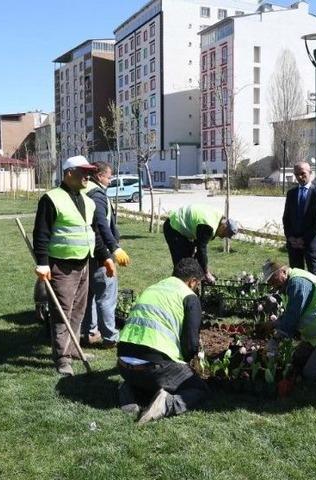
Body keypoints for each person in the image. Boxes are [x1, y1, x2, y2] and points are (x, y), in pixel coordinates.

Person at [33, 155, 117, 376]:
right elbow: (41, 234)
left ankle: (73, 349)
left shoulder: (87, 200)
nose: (87, 176)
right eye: (83, 172)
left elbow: (94, 233)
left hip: (84, 264)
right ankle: (62, 358)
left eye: (89, 172)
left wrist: (106, 256)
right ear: (69, 174)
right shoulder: (51, 199)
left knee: (79, 310)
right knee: (62, 312)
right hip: (61, 266)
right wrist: (43, 264)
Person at [116, 258, 210, 424]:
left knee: (145, 376)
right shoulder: (189, 297)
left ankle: (129, 389)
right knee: (198, 388)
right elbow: (191, 345)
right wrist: (191, 364)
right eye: (197, 285)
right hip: (154, 369)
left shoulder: (152, 288)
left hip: (123, 364)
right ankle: (167, 404)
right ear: (192, 281)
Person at [80, 161, 131, 348]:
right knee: (106, 296)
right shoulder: (98, 196)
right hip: (101, 253)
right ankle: (110, 337)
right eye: (109, 177)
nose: (110, 181)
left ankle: (90, 331)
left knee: (89, 295)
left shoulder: (84, 192)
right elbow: (100, 226)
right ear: (99, 175)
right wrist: (112, 250)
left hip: (85, 253)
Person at [163, 204, 239, 283]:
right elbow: (201, 249)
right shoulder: (208, 225)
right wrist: (206, 272)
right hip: (174, 226)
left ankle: (188, 286)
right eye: (224, 234)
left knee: (189, 262)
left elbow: (198, 247)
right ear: (224, 226)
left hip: (182, 228)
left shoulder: (217, 218)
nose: (223, 237)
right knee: (182, 265)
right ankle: (176, 287)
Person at [282, 161, 316, 279]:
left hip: (310, 242)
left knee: (315, 275)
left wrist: (304, 239)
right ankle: (300, 296)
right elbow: (286, 218)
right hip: (293, 243)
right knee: (296, 275)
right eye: (296, 174)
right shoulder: (291, 193)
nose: (299, 177)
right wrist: (290, 238)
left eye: (302, 173)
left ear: (310, 173)